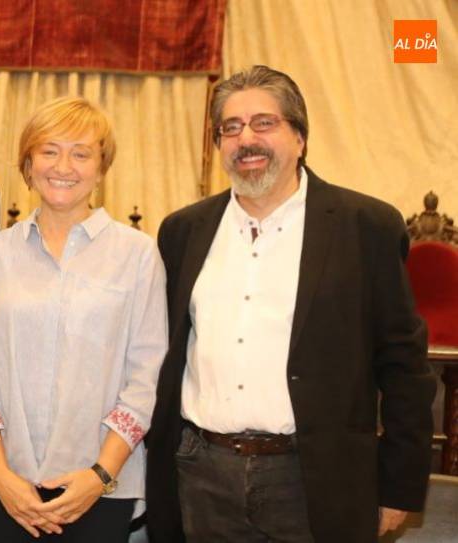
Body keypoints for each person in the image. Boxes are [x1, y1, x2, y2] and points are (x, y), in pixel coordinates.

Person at [145, 65, 436, 543]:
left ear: (300, 136)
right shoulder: (182, 231)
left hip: (314, 479)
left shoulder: (366, 227)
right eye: (231, 128)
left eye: (265, 123)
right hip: (201, 474)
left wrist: (399, 487)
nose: (246, 140)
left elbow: (404, 366)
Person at [0, 96, 168, 542]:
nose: (63, 165)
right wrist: (1, 476)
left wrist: (99, 475)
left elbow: (146, 378)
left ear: (101, 168)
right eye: (49, 150)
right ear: (28, 164)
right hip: (4, 487)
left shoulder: (138, 255)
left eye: (81, 153)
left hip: (102, 487)